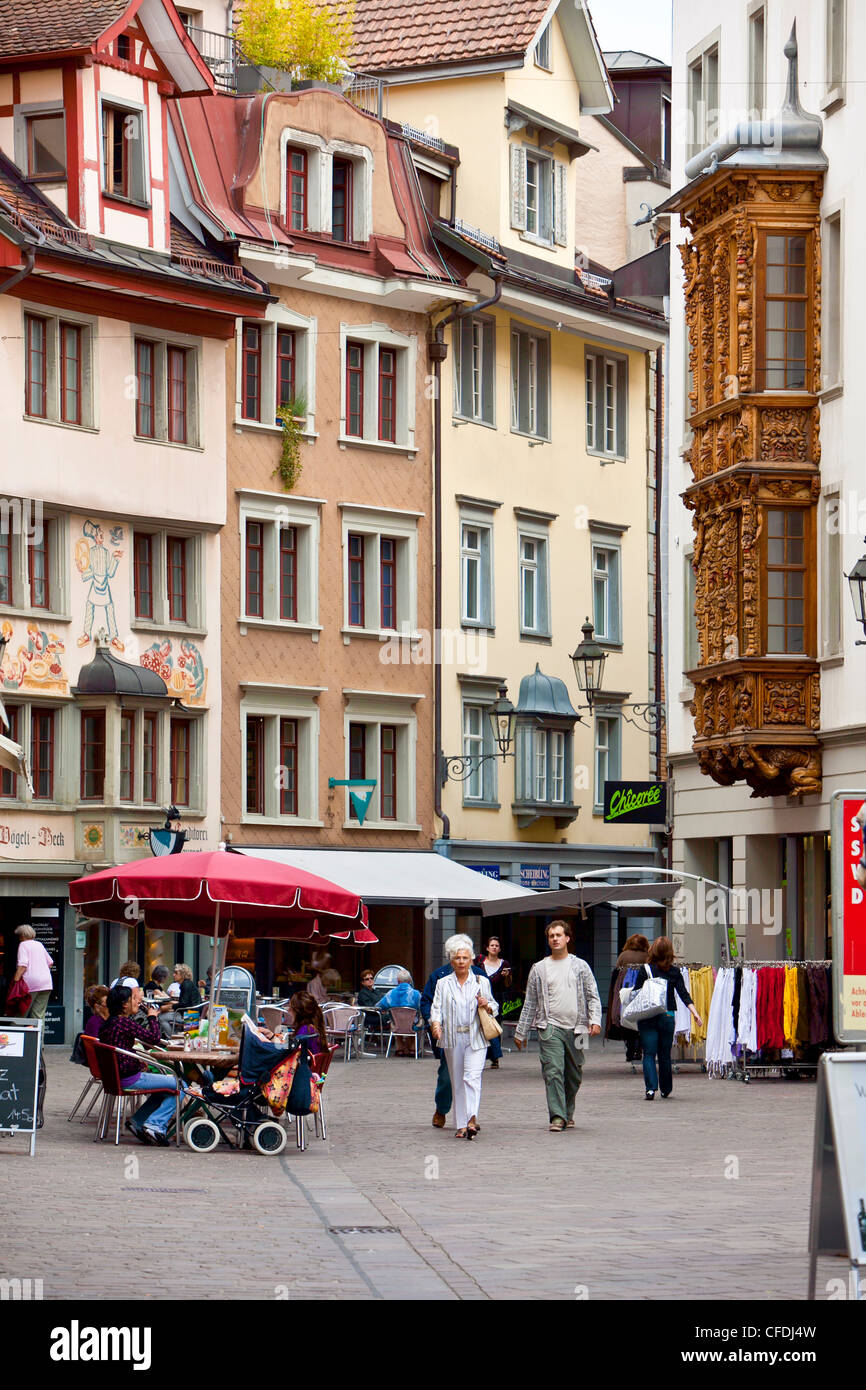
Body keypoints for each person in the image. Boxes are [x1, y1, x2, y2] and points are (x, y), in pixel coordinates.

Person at [514, 920, 603, 1133]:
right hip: (549, 1027)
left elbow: (592, 995)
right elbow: (531, 1002)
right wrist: (521, 1031)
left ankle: (567, 1112)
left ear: (567, 938)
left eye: (558, 935)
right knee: (553, 1071)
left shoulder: (580, 966)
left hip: (578, 1029)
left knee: (574, 1074)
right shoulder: (539, 969)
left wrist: (595, 1020)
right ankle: (557, 1117)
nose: (555, 938)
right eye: (551, 936)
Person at [98, 985, 190, 1145]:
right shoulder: (124, 1023)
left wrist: (136, 1061)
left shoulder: (108, 1024)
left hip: (115, 1078)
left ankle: (137, 1121)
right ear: (124, 1004)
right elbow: (154, 1038)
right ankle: (155, 1125)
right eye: (133, 999)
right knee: (180, 1084)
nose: (137, 1001)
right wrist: (152, 1016)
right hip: (129, 1078)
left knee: (164, 1090)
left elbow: (119, 1051)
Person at [430, 939, 497, 1139]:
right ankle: (461, 1125)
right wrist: (436, 1025)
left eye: (465, 958)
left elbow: (495, 1006)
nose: (460, 961)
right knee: (457, 1080)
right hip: (452, 1037)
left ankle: (471, 1119)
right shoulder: (443, 983)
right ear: (451, 961)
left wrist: (487, 1004)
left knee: (472, 1077)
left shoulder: (481, 981)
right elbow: (436, 1008)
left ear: (471, 960)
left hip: (475, 1036)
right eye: (457, 958)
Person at [630, 937, 703, 1100]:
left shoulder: (645, 970)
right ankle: (666, 1089)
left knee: (648, 1053)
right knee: (664, 1054)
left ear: (653, 951)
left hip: (648, 1016)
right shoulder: (674, 972)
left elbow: (636, 992)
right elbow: (684, 994)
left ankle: (650, 1089)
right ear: (670, 953)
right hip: (667, 1015)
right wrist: (695, 1013)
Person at [611, 934, 650, 1065]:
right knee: (640, 1016)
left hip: (625, 988)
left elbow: (616, 971)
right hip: (642, 988)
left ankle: (630, 1049)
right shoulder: (646, 956)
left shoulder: (623, 955)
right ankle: (639, 1047)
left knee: (626, 1016)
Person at [474, 936, 512, 1069]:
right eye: (492, 945)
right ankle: (483, 1054)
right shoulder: (480, 961)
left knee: (494, 1025)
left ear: (500, 949)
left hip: (497, 997)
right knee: (481, 1024)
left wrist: (506, 977)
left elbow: (508, 984)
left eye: (496, 945)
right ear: (487, 948)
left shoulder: (504, 964)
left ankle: (495, 1056)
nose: (494, 947)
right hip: (482, 996)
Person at [11, 924, 54, 1019]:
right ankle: (38, 1034)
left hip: (30, 984)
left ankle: (15, 1033)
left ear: (22, 935)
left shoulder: (23, 945)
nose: (19, 938)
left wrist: (15, 981)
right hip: (46, 983)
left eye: (19, 936)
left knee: (21, 1013)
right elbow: (50, 962)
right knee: (39, 1016)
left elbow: (23, 965)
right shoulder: (39, 944)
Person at [376, 970, 422, 1056]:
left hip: (396, 1025)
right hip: (412, 1025)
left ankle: (400, 1048)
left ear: (398, 981)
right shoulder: (416, 994)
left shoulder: (390, 994)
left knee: (395, 1020)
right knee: (416, 1019)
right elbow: (422, 1007)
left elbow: (378, 1006)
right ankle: (412, 1048)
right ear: (409, 981)